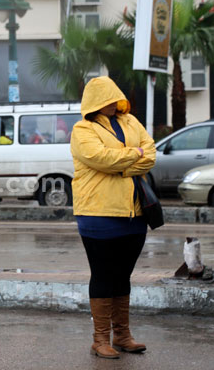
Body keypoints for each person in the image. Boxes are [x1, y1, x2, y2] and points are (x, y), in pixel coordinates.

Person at [70, 76, 156, 359]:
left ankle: (122, 336)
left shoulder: (131, 121)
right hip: (98, 213)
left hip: (135, 213)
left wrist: (123, 165)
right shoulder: (82, 129)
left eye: (113, 97)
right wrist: (133, 157)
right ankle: (100, 340)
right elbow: (100, 158)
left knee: (123, 276)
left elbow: (151, 154)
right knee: (104, 275)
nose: (111, 103)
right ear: (94, 101)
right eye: (105, 99)